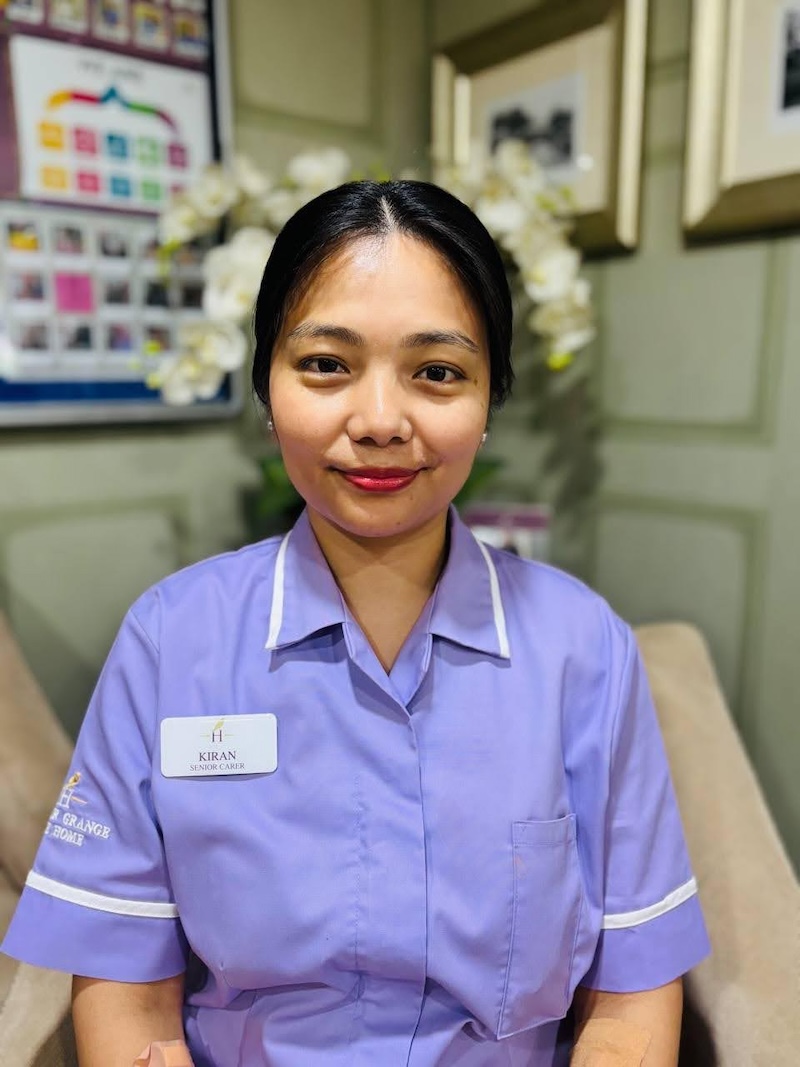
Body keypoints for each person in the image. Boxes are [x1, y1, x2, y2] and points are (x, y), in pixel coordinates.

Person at [2, 181, 710, 1066]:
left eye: (438, 372)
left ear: (491, 398)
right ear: (266, 384)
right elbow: (129, 992)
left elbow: (632, 991)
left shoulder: (584, 649)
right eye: (327, 364)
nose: (379, 422)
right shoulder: (168, 642)